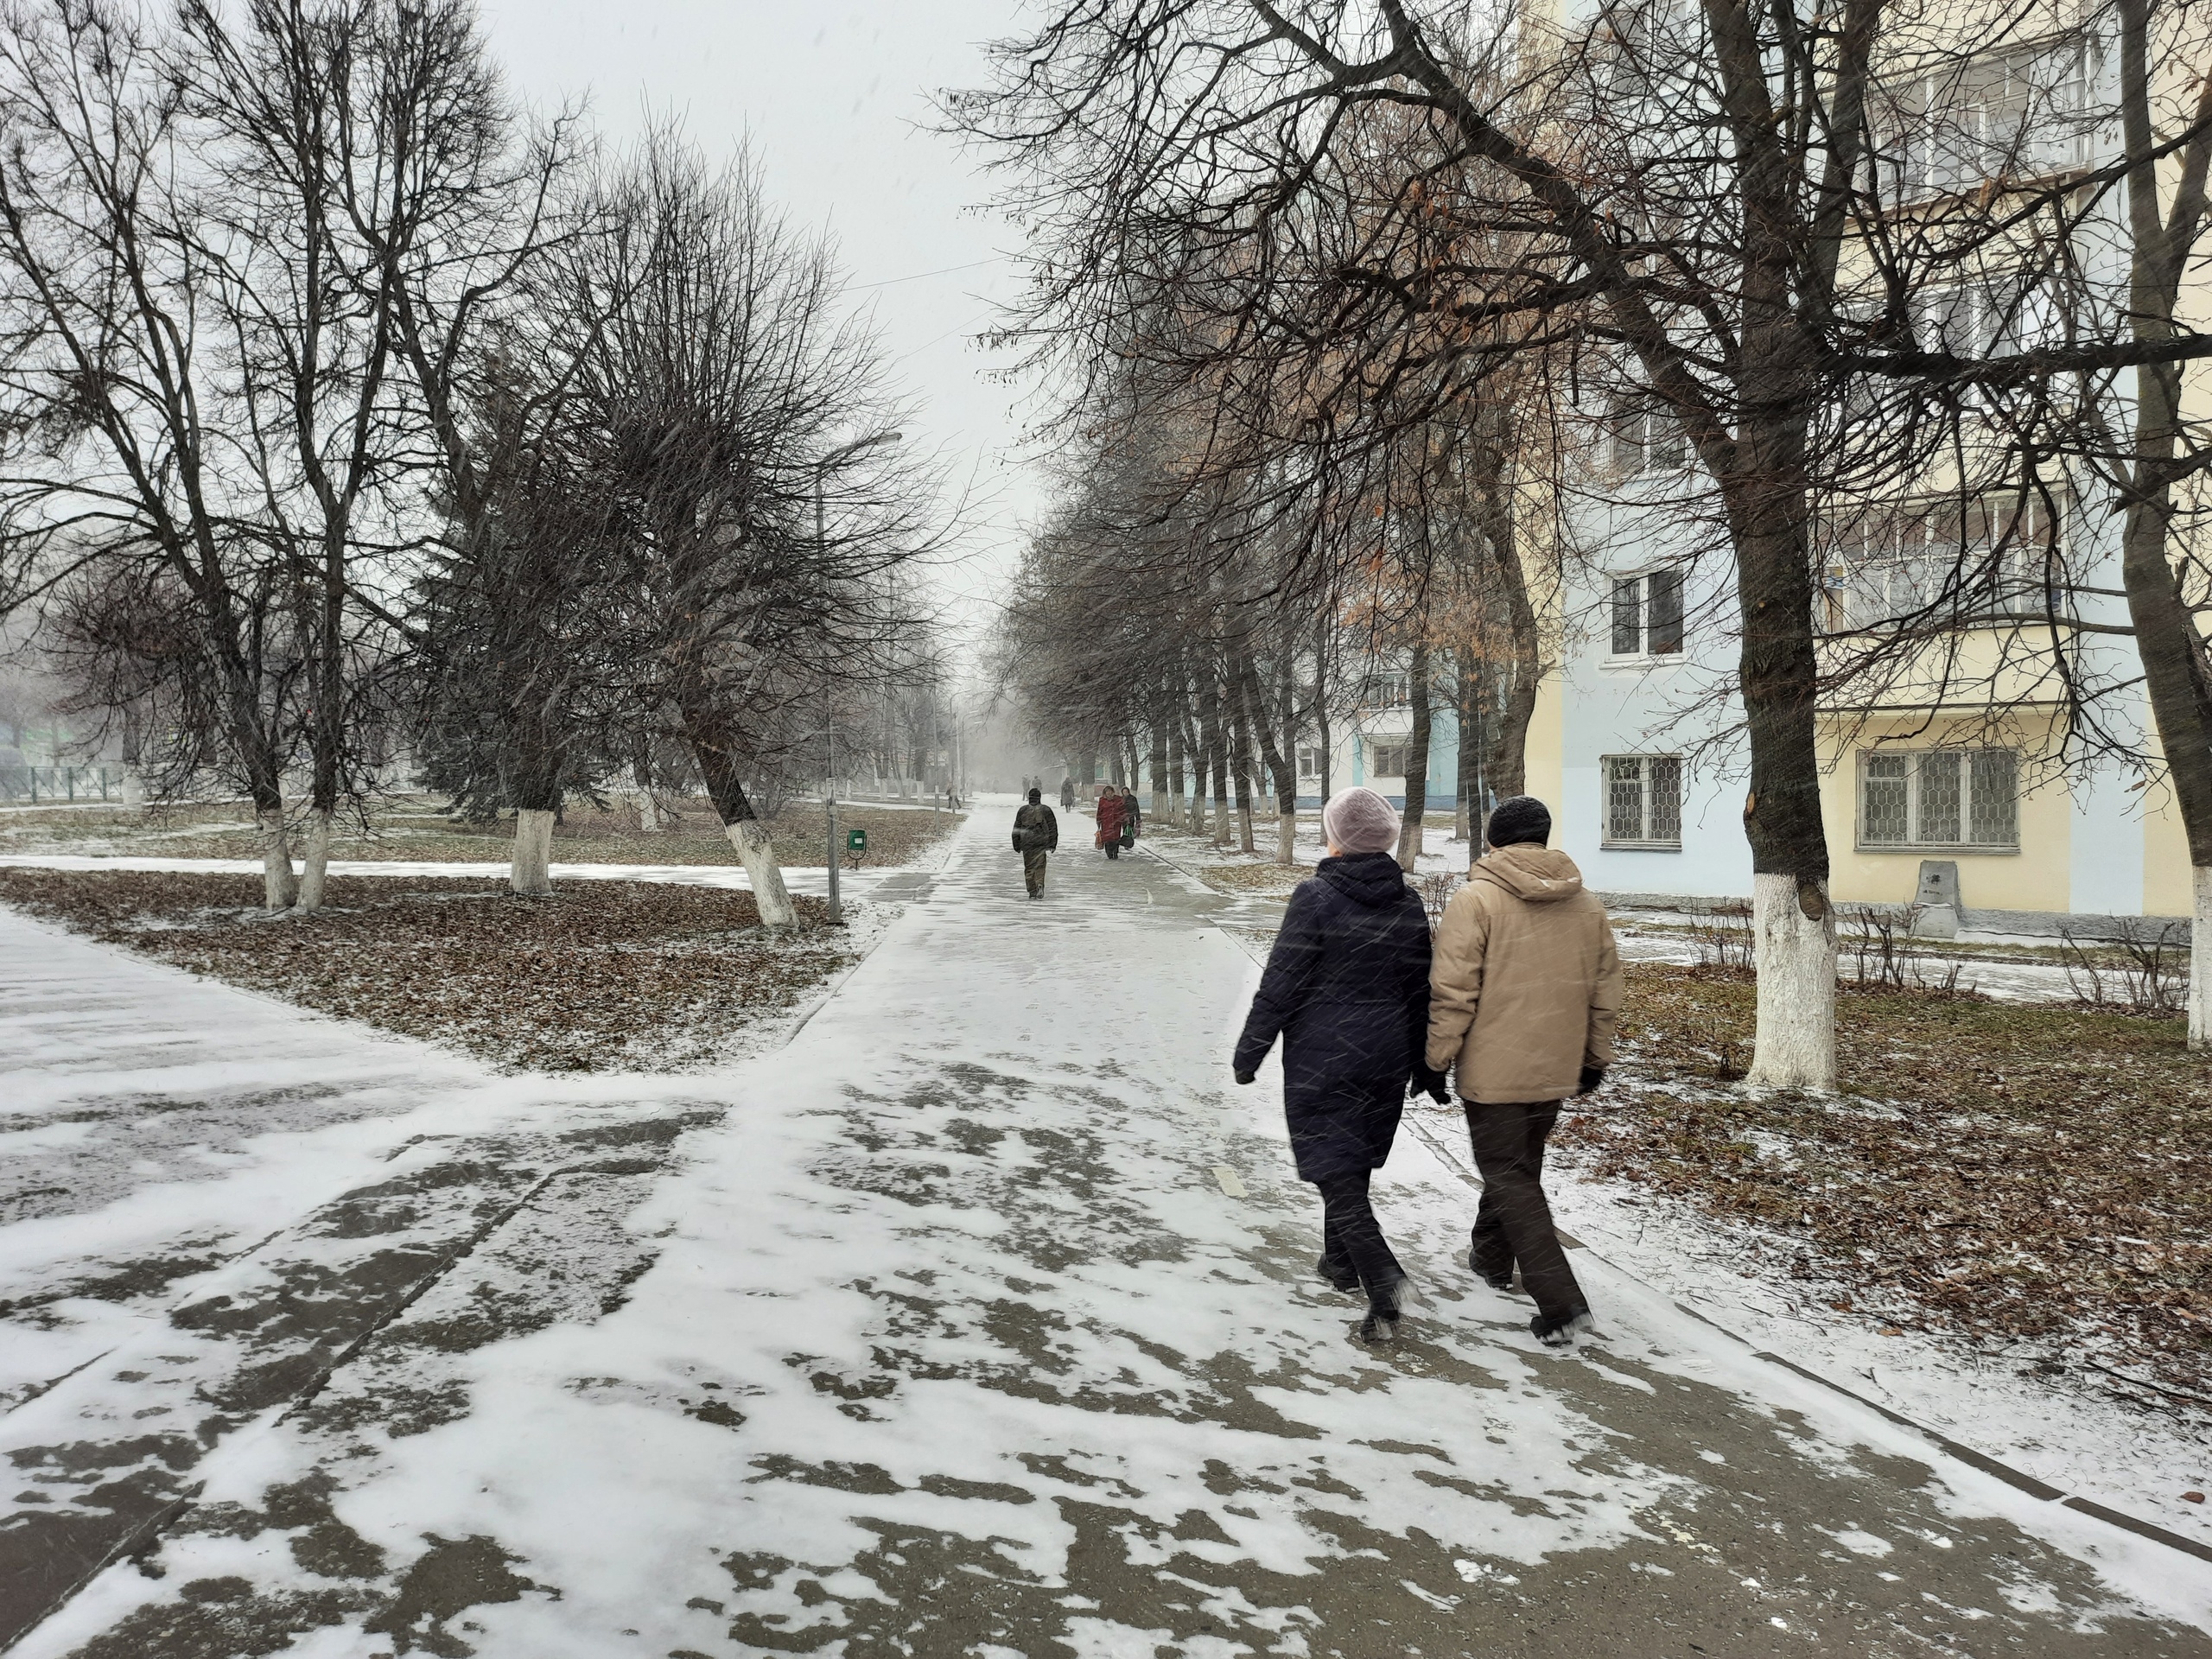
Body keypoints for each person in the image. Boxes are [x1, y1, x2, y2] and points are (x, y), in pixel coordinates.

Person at [1233, 786, 1443, 1343]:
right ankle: (1340, 1262)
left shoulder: (1316, 897)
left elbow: (1282, 981)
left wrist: (1250, 1050)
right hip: (1386, 1056)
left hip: (1325, 1055)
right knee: (1351, 1164)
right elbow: (1423, 991)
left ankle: (1384, 1281)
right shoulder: (1408, 902)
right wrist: (1426, 1066)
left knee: (1335, 1175)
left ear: (1336, 838)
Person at [1426, 795, 1624, 1348]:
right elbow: (1605, 993)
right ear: (1543, 836)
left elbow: (1452, 991)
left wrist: (1437, 1057)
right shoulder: (1586, 903)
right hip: (1557, 1065)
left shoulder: (1476, 900)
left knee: (1510, 1175)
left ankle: (1561, 1303)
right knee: (1518, 1167)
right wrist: (1593, 1057)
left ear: (1492, 841)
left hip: (1495, 1070)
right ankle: (1490, 1258)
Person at [1014, 787, 1059, 899]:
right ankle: (1039, 883)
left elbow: (1016, 828)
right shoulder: (1046, 810)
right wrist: (1053, 844)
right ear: (1039, 798)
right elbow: (1053, 827)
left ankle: (1032, 891)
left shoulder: (1023, 810)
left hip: (1027, 843)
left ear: (1029, 798)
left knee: (1029, 867)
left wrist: (1016, 844)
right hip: (1041, 843)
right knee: (1040, 866)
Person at [1096, 786, 1126, 858]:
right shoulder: (1102, 800)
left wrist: (1124, 818)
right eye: (1107, 791)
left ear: (1113, 792)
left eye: (1110, 791)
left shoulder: (1118, 799)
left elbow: (1122, 810)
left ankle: (1115, 852)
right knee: (1107, 838)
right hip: (1106, 822)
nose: (1109, 793)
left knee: (1116, 838)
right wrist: (1098, 820)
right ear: (1105, 793)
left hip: (1116, 822)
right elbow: (1099, 811)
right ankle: (1109, 853)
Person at [1118, 785, 1141, 851]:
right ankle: (1125, 842)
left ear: (1128, 792)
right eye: (1124, 792)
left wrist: (1138, 818)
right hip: (1124, 818)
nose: (1125, 793)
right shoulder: (1121, 799)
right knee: (1125, 830)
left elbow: (1136, 808)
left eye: (1126, 792)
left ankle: (1128, 844)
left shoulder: (1133, 799)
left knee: (1129, 830)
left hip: (1131, 817)